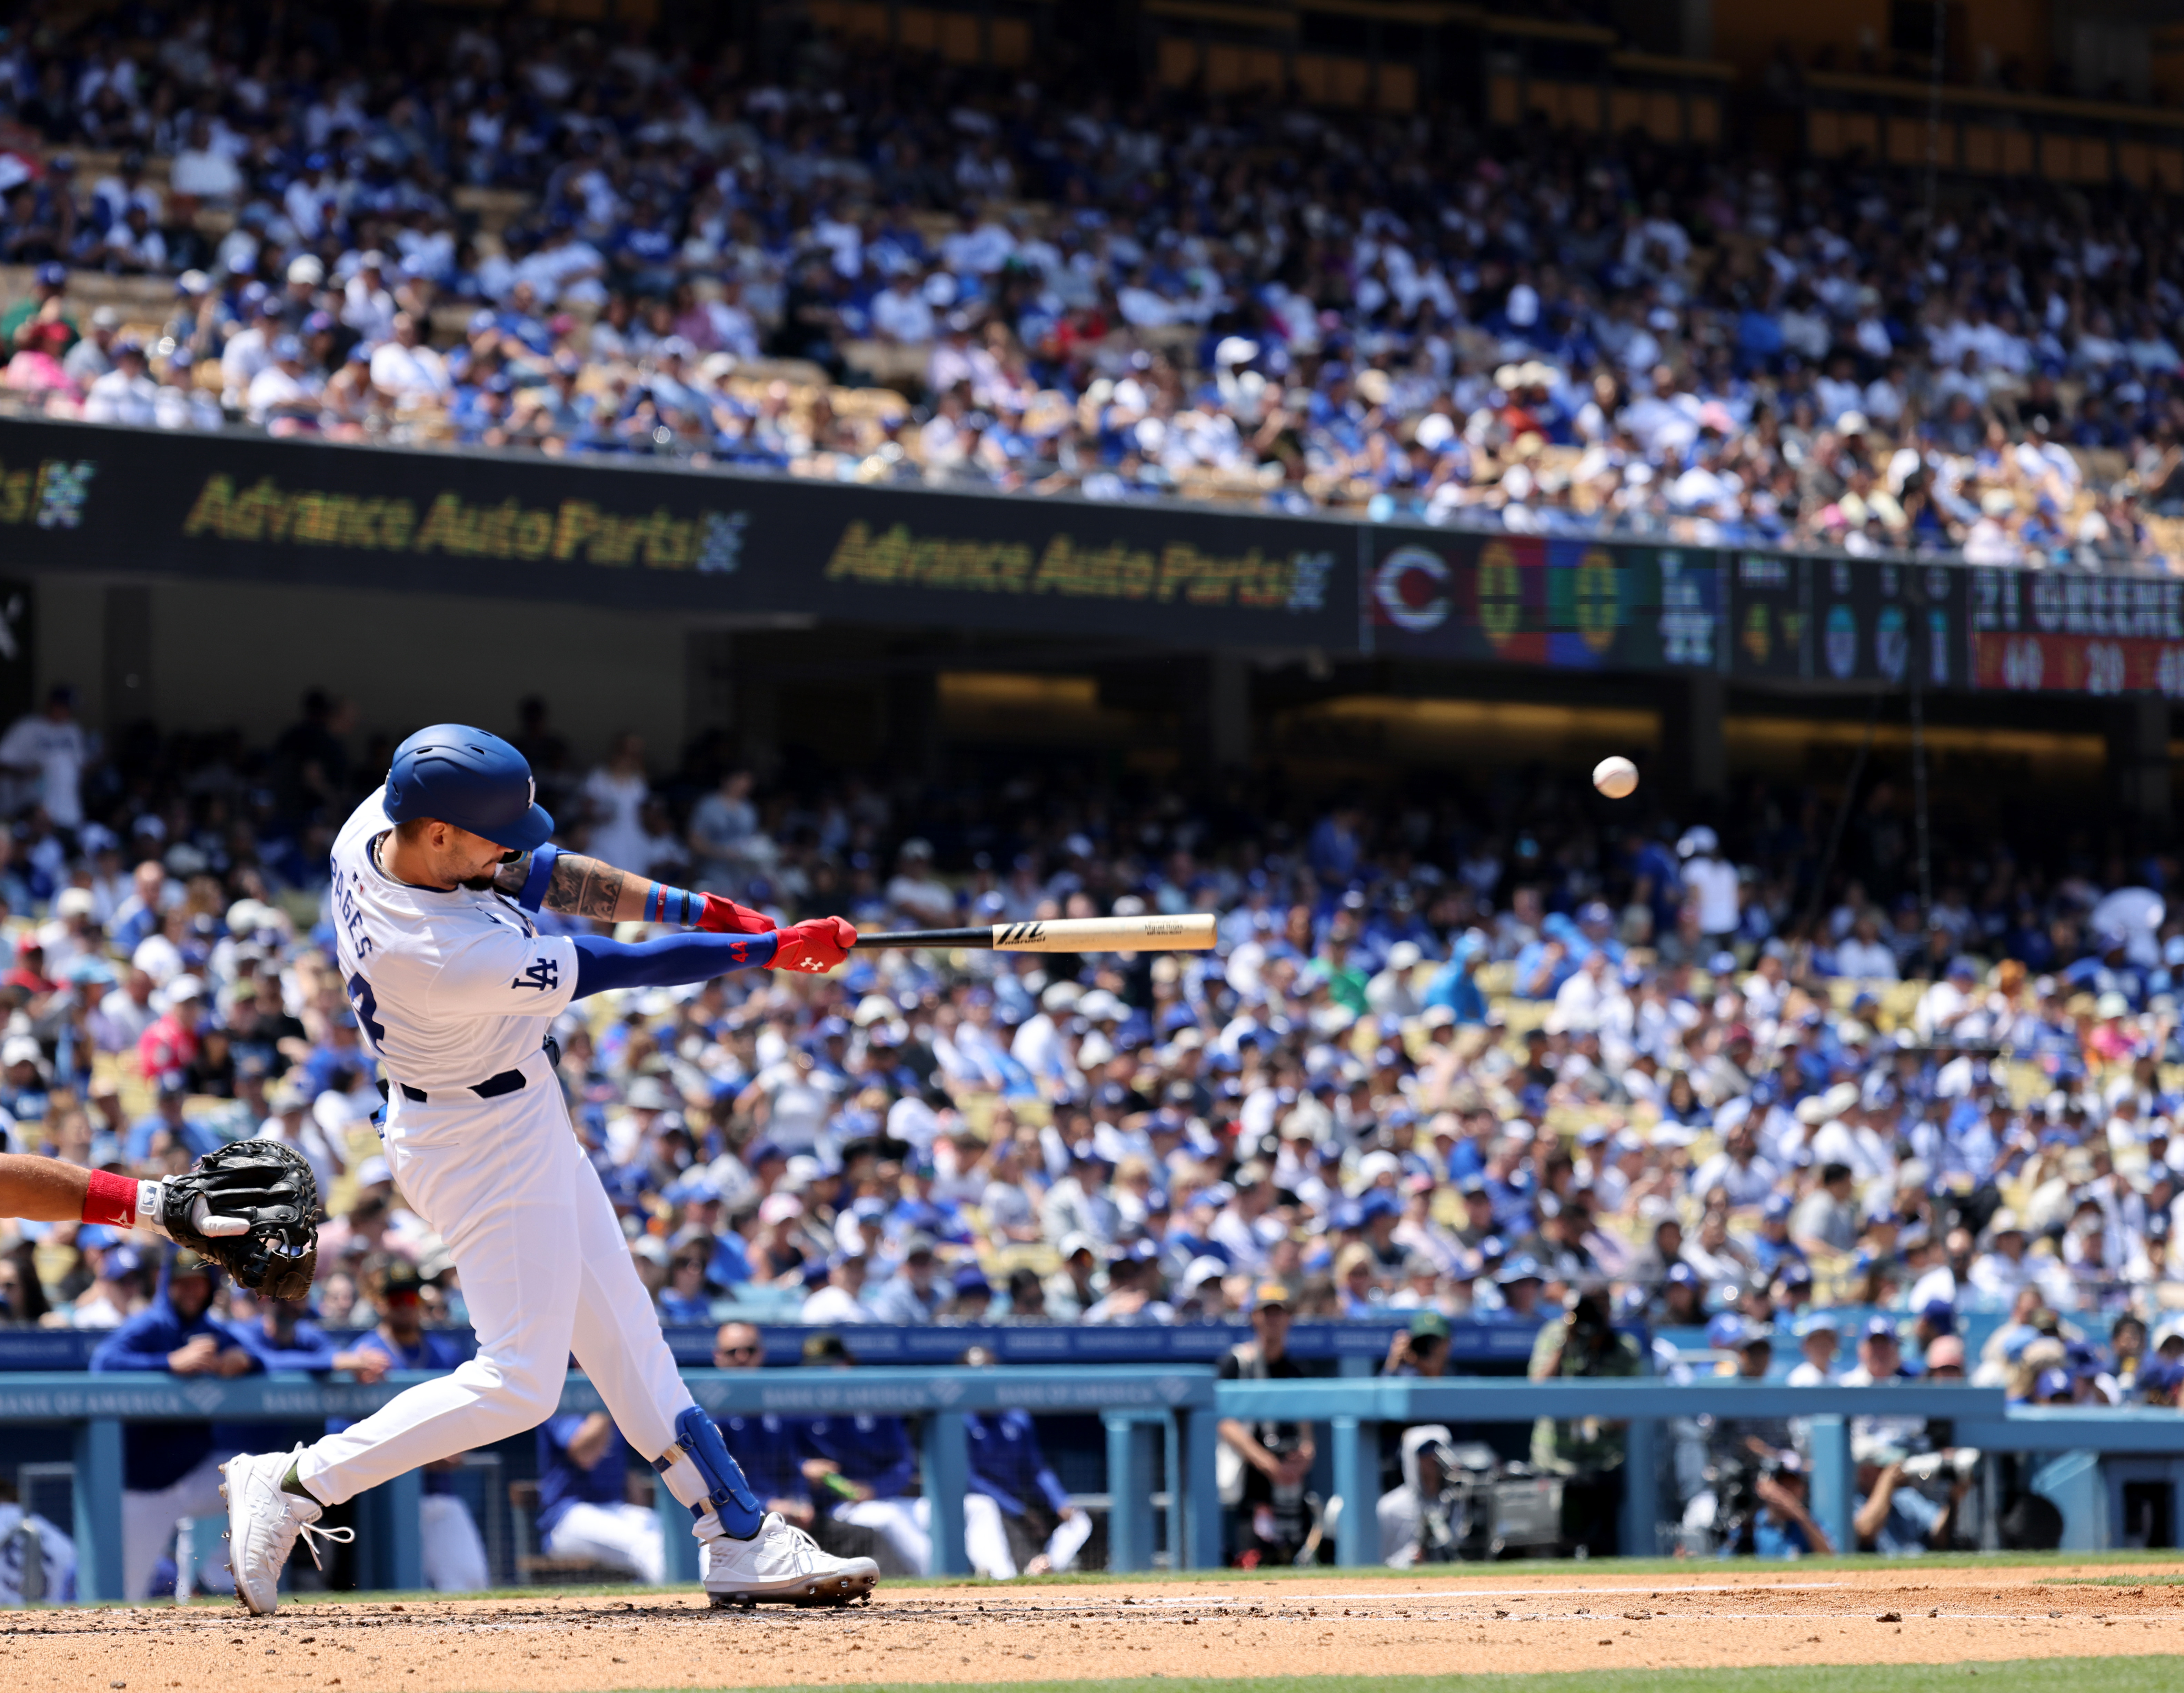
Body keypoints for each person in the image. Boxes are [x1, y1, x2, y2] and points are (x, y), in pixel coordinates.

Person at [219, 724, 875, 1615]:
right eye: (495, 830)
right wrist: (765, 951)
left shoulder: (381, 822)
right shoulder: (433, 949)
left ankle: (741, 1536)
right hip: (473, 1136)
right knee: (522, 1382)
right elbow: (613, 963)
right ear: (441, 832)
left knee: (628, 1339)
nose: (514, 845)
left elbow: (542, 872)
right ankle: (297, 1477)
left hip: (513, 1107)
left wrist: (707, 910)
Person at [90, 1248, 262, 1600]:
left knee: (265, 1481)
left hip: (196, 1474)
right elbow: (104, 1362)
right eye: (183, 1283)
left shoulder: (210, 1330)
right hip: (145, 1488)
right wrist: (169, 1362)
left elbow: (266, 1357)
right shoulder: (151, 1325)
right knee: (123, 1600)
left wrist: (245, 1360)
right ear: (168, 1285)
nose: (191, 1291)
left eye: (198, 1284)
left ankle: (212, 1577)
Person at [795, 1333, 1013, 1576]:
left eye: (830, 1366)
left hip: (885, 1497)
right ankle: (946, 1577)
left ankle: (1002, 1579)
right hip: (842, 1506)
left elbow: (904, 1464)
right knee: (889, 1517)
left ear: (847, 1364)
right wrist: (803, 1467)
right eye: (817, 1368)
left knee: (979, 1506)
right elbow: (783, 1460)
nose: (824, 1373)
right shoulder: (798, 1409)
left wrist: (875, 1489)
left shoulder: (876, 1404)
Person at [345, 1262, 490, 1593]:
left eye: (410, 1297)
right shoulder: (366, 1354)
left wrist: (454, 1448)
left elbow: (469, 1415)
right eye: (396, 1299)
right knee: (395, 1593)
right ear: (380, 1303)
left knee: (471, 1582)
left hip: (438, 1493)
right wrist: (425, 1454)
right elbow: (347, 1433)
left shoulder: (443, 1352)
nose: (405, 1306)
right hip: (380, 1498)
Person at [1528, 1285, 1645, 1558]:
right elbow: (1537, 1388)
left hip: (1602, 1465)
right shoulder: (1554, 1335)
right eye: (1590, 1306)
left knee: (1603, 1552)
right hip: (1554, 1463)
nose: (1596, 1313)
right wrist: (1566, 1339)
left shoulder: (1624, 1348)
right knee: (1552, 1551)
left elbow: (1628, 1414)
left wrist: (1598, 1414)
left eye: (1603, 1306)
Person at [961, 1347, 1091, 1576]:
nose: (985, 1380)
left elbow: (1036, 1469)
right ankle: (1011, 1572)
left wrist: (1059, 1501)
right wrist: (1018, 1511)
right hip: (975, 1506)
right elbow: (967, 1479)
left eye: (990, 1373)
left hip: (1018, 1500)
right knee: (986, 1510)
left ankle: (1045, 1566)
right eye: (976, 1374)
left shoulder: (1016, 1418)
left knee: (1079, 1520)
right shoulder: (956, 1419)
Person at [1216, 1281, 1316, 1567]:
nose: (1273, 1320)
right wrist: (1266, 1463)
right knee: (1247, 1563)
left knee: (1292, 1560)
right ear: (1254, 1317)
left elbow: (1306, 1426)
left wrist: (1306, 1455)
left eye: (1279, 1313)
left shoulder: (1296, 1369)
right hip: (1247, 1483)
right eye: (1266, 1313)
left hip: (1288, 1484)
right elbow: (1223, 1421)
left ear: (1289, 1318)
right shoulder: (1235, 1363)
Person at [535, 1412, 665, 1582]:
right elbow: (585, 1455)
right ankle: (686, 1604)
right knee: (646, 1543)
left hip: (614, 1509)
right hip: (566, 1518)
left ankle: (665, 1601)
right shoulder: (566, 1401)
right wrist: (604, 1407)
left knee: (669, 1536)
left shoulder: (617, 1409)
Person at [0, 685, 89, 828]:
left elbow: (81, 767)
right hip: (31, 812)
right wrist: (25, 772)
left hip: (69, 814)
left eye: (70, 708)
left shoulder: (73, 730)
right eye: (63, 707)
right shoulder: (27, 727)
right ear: (52, 705)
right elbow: (3, 763)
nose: (67, 712)